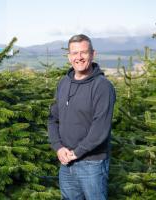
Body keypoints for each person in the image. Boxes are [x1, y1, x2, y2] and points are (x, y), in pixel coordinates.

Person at [48, 34, 116, 200]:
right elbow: (52, 118)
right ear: (69, 56)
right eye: (74, 53)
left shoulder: (102, 86)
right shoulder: (63, 83)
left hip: (92, 164)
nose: (79, 57)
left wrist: (76, 152)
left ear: (93, 54)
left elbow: (100, 129)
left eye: (83, 52)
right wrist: (58, 147)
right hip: (66, 162)